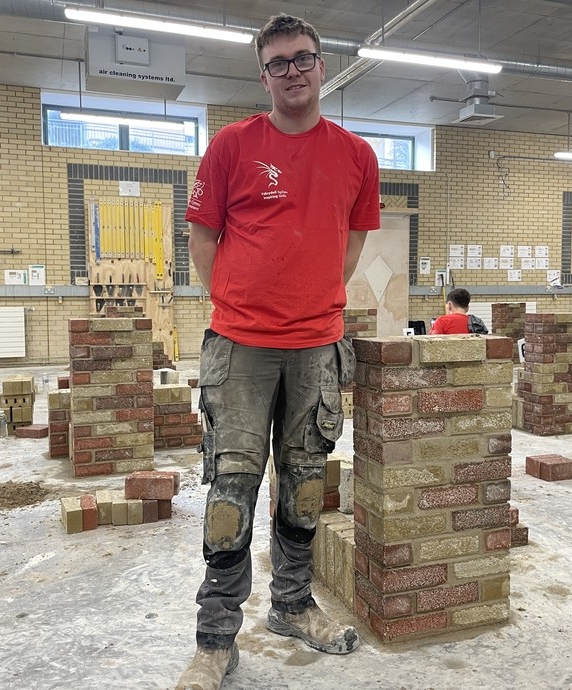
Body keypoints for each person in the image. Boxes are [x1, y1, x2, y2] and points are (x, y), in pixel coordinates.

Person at [177, 14, 380, 690]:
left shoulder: (357, 156)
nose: (293, 71)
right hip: (240, 348)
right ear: (262, 75)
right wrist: (239, 304)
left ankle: (292, 605)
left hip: (316, 346)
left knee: (304, 487)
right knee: (231, 492)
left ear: (323, 67)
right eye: (279, 62)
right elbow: (203, 240)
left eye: (303, 59)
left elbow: (351, 241)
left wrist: (315, 299)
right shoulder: (233, 146)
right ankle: (215, 641)